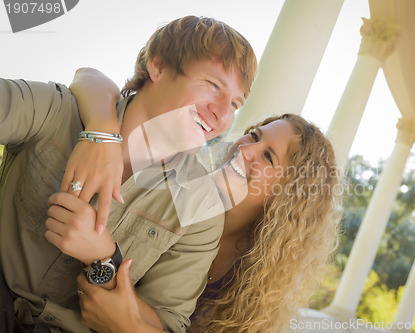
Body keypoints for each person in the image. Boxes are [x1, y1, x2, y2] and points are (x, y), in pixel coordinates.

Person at [0, 15, 257, 333]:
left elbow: (166, 324)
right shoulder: (57, 111)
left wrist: (105, 260)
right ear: (158, 67)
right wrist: (100, 133)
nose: (222, 114)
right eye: (213, 86)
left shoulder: (201, 209)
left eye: (235, 103)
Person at [60, 70, 342, 332]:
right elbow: (91, 78)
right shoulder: (176, 177)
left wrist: (129, 326)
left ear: (288, 198)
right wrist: (101, 131)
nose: (246, 149)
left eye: (268, 157)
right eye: (254, 135)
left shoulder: (258, 285)